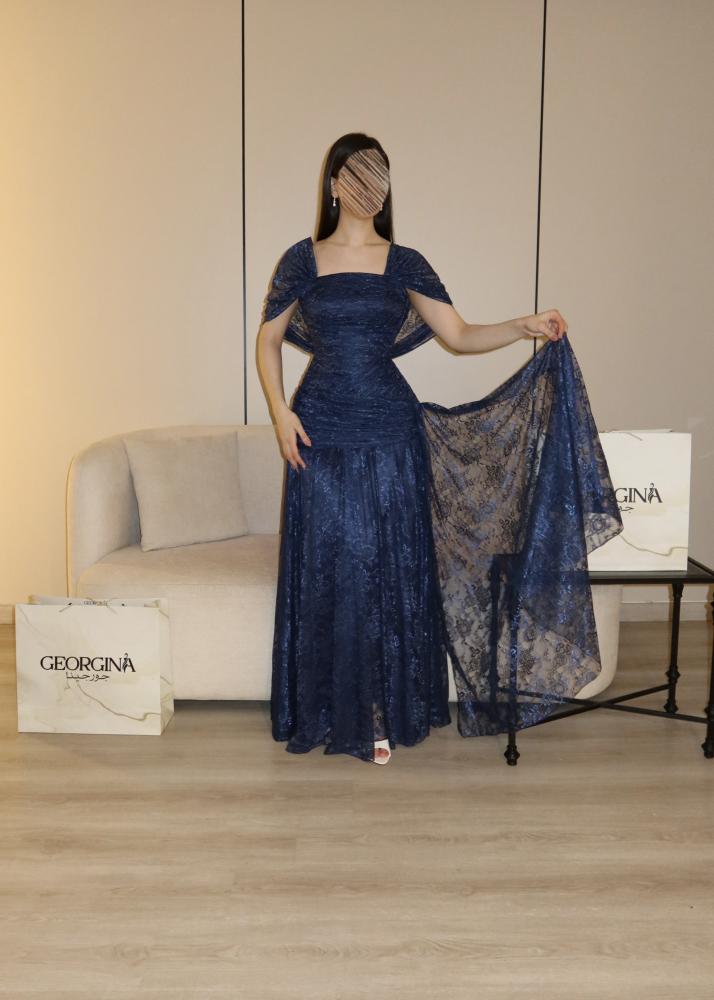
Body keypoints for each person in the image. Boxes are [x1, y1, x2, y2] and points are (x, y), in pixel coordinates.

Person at [257, 132, 622, 766]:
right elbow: (267, 342)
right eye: (356, 173)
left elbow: (458, 334)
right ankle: (327, 710)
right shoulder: (301, 259)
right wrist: (279, 414)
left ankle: (380, 711)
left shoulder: (405, 262)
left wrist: (524, 326)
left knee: (386, 567)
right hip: (319, 429)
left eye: (379, 174)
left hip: (393, 431)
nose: (369, 185)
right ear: (335, 183)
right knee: (332, 566)